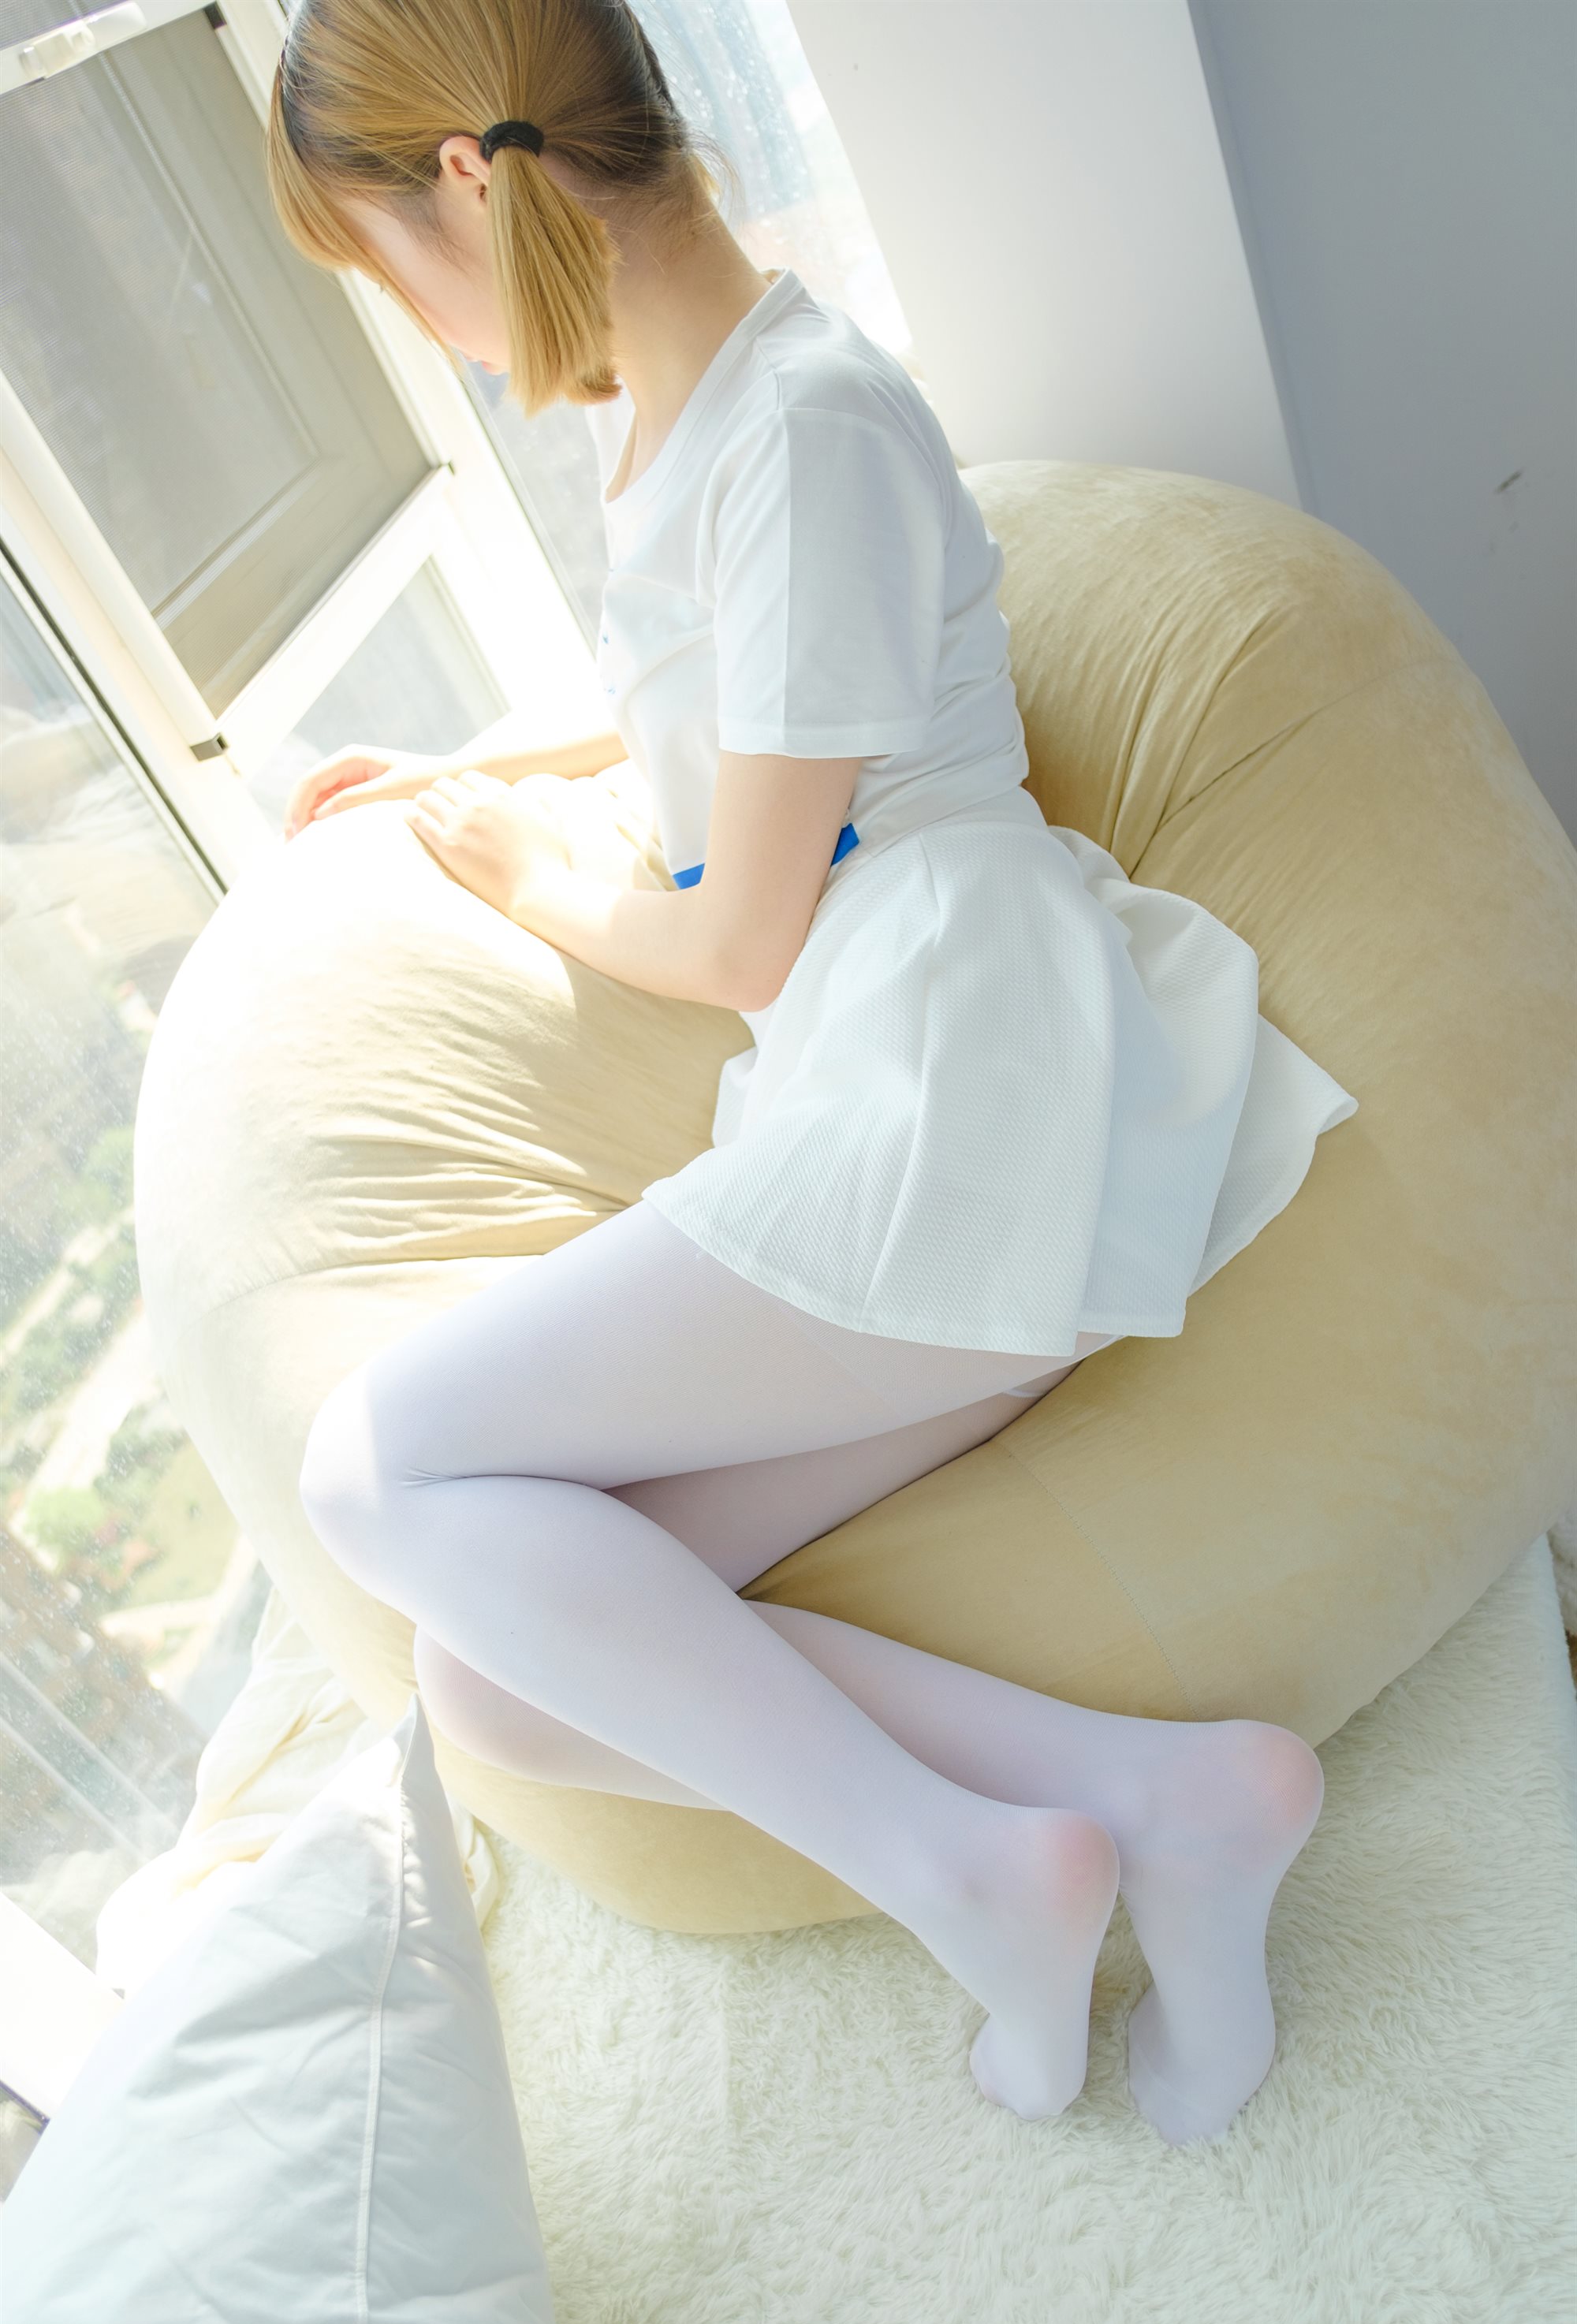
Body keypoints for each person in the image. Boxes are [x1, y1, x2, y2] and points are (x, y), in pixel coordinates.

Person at [269, 0, 1356, 2144]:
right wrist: (480, 772)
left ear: (469, 182)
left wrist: (533, 872)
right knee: (502, 1670)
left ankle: (965, 1871)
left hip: (952, 1077)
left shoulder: (808, 421)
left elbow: (738, 932)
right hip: (926, 1110)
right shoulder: (697, 415)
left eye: (377, 262)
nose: (411, 318)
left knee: (373, 1478)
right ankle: (1163, 1804)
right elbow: (749, 721)